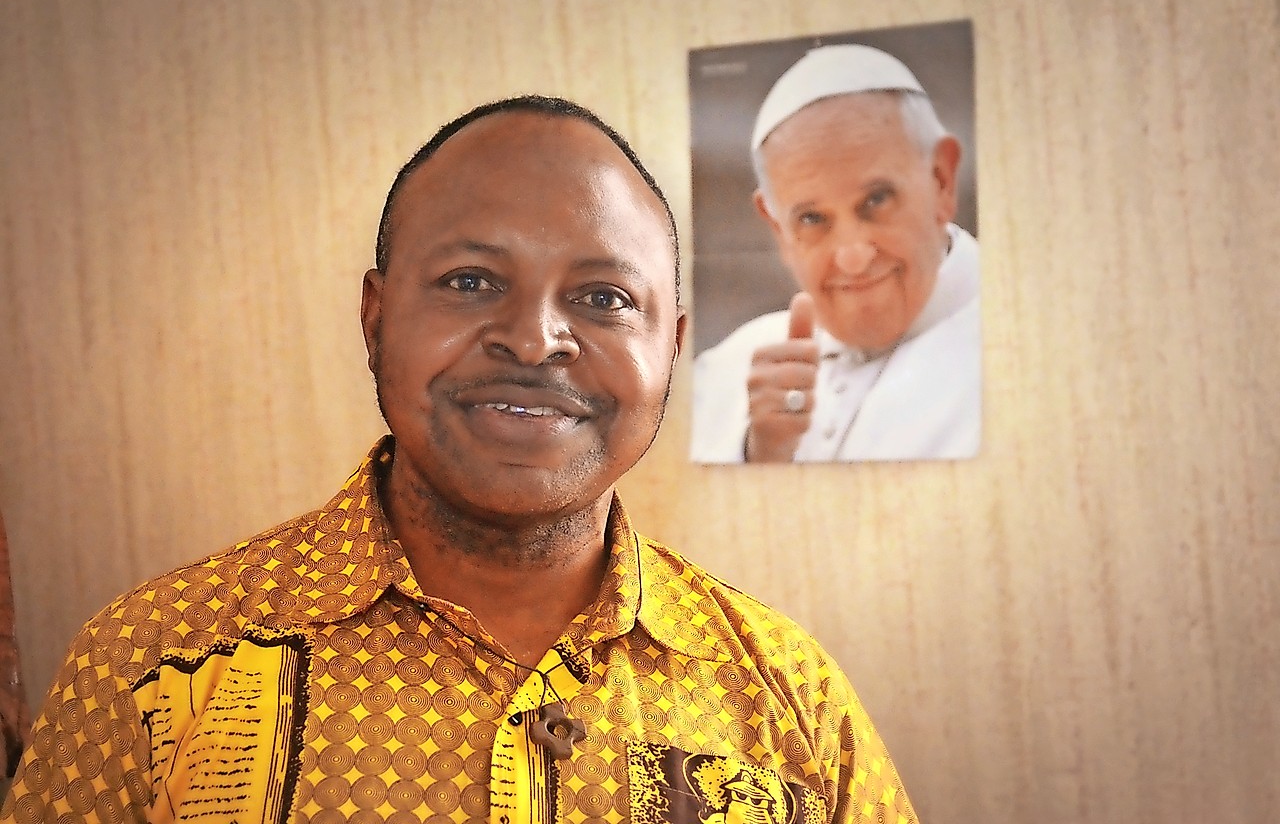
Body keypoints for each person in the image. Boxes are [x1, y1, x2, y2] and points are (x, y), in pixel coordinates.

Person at [1, 96, 919, 823]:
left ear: (671, 347)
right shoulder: (153, 667)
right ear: (375, 320)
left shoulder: (791, 699)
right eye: (471, 282)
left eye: (603, 297)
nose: (534, 339)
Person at [691, 44, 981, 463]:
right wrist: (759, 456)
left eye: (877, 199)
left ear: (942, 181)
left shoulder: (1026, 357)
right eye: (811, 219)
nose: (852, 257)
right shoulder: (722, 374)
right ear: (777, 228)